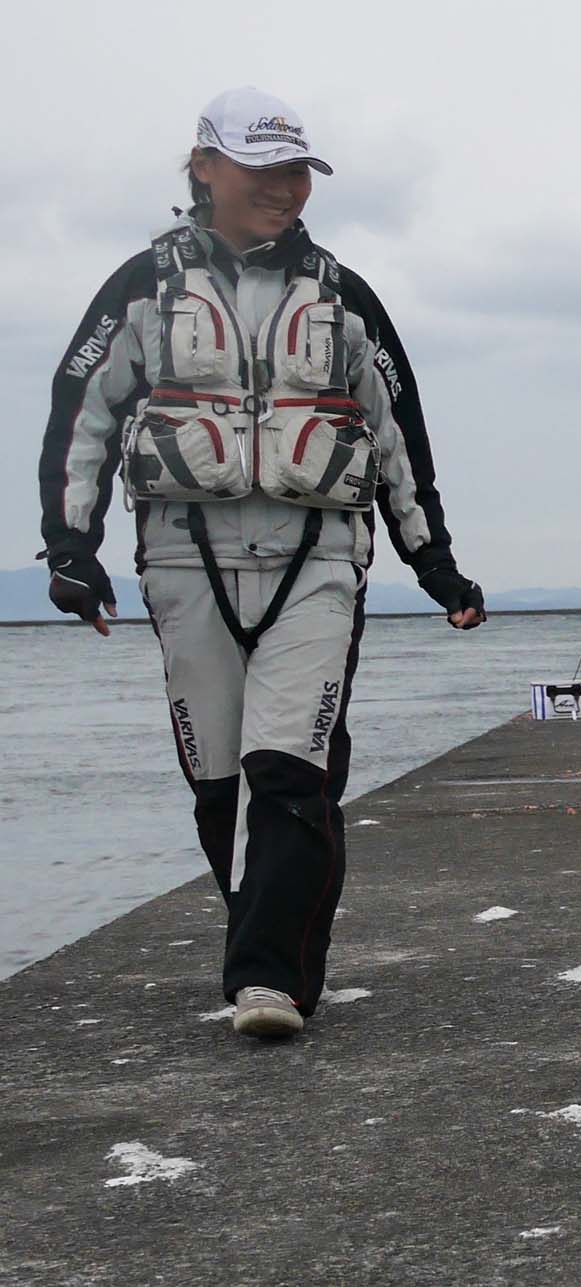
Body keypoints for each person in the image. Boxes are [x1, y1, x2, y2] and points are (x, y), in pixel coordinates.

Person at [36, 87, 483, 1040]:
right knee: (217, 781)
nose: (285, 189)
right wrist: (71, 549)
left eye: (298, 173)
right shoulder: (140, 288)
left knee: (289, 771)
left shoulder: (343, 296)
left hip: (317, 564)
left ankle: (269, 983)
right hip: (181, 563)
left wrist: (435, 565)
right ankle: (262, 947)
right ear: (204, 166)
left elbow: (398, 436)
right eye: (263, 169)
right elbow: (83, 416)